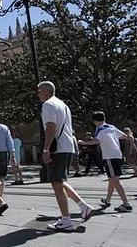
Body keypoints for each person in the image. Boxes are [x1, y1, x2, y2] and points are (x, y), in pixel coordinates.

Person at [38, 81, 94, 231]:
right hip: (67, 146)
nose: (38, 94)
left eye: (39, 91)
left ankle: (66, 220)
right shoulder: (63, 105)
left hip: (58, 148)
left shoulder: (48, 104)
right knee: (60, 181)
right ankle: (84, 207)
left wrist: (45, 150)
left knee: (56, 183)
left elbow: (50, 127)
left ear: (47, 91)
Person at [79, 112, 132, 212]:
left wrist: (83, 143)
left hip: (109, 156)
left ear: (95, 121)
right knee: (111, 179)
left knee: (115, 180)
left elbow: (96, 141)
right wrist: (129, 135)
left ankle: (126, 204)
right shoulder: (111, 127)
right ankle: (107, 200)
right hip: (117, 155)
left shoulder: (99, 129)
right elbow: (124, 136)